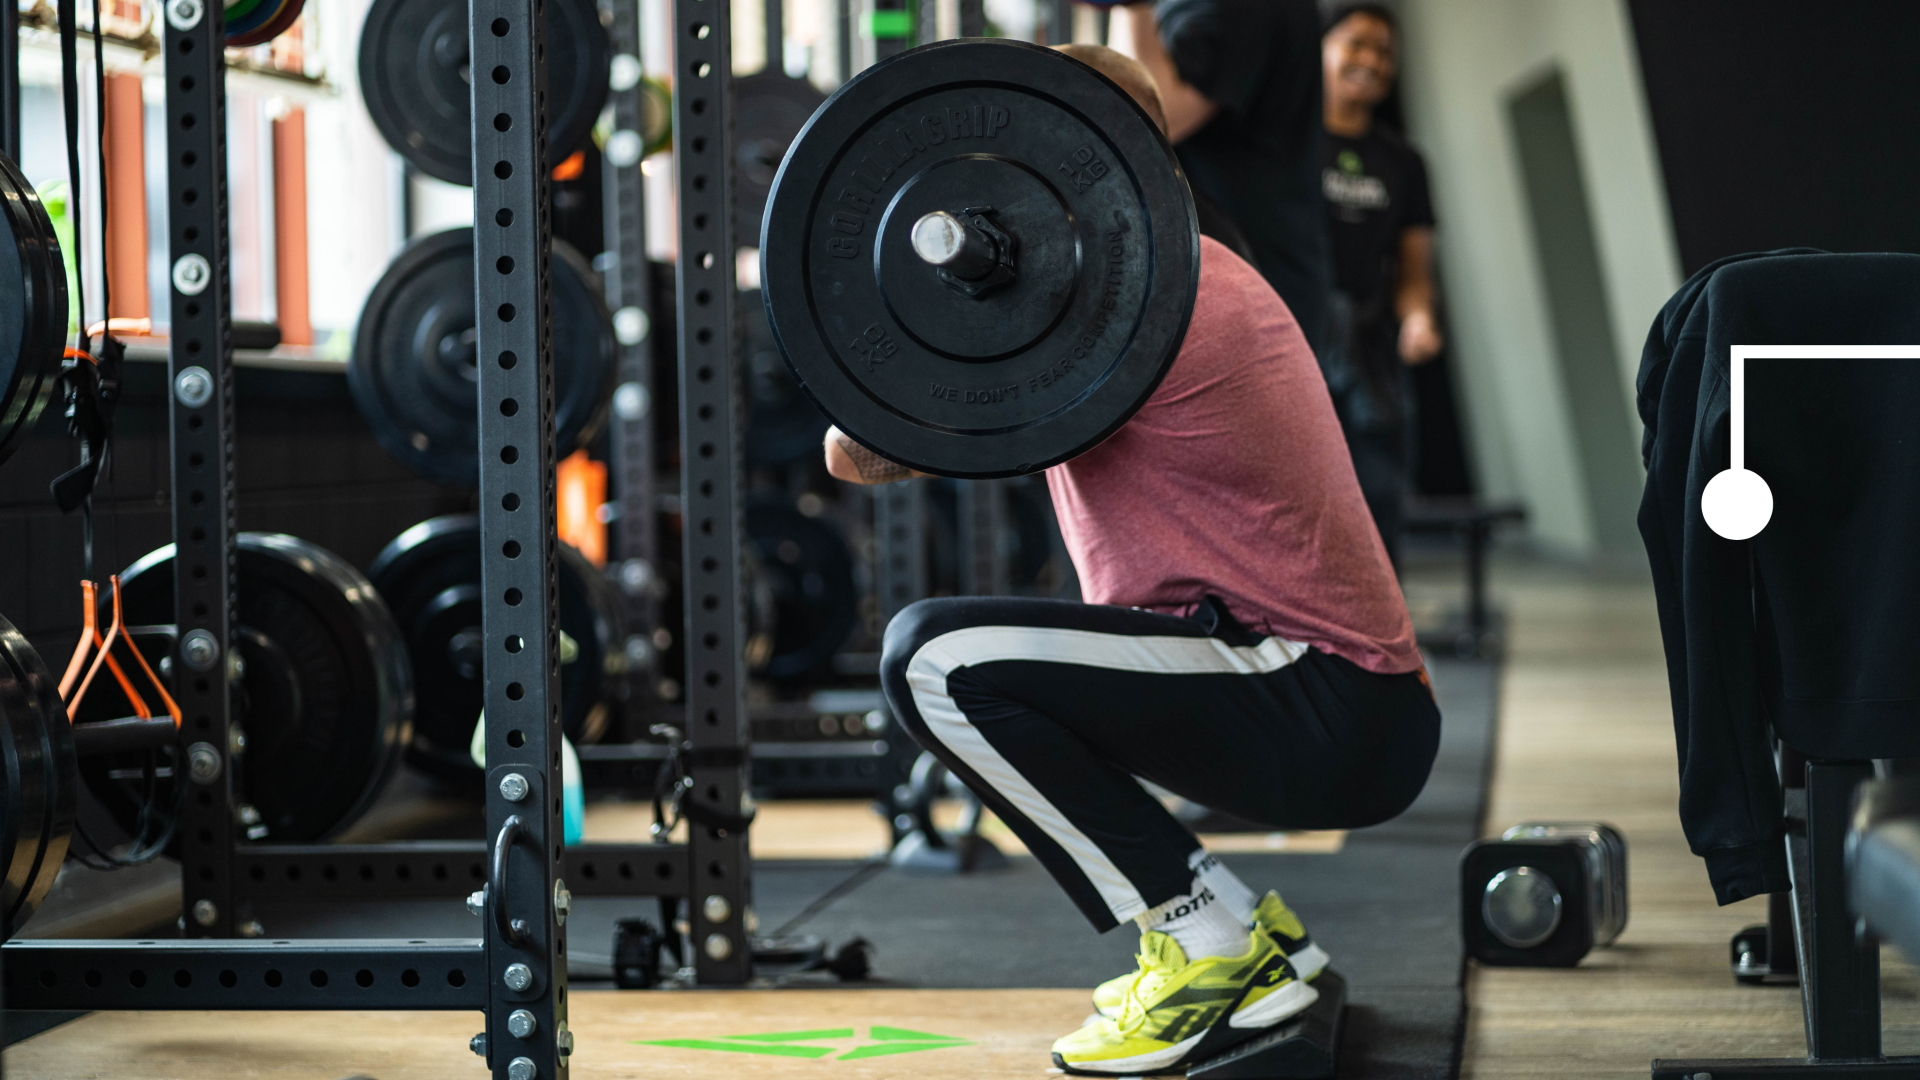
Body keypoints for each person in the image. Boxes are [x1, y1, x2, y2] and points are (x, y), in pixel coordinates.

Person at [822, 46, 1439, 1077]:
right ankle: (1249, 934)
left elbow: (863, 452)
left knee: (937, 659)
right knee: (990, 662)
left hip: (1320, 699)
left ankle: (1205, 941)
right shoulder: (1151, 281)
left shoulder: (1143, 308)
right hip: (1326, 699)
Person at [1119, 0, 1331, 354]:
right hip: (1242, 266)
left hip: (1248, 276)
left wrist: (1132, 6)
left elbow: (1154, 117)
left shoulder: (1237, 8)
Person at [1319, 3, 1443, 566]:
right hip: (1295, 338)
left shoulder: (1404, 162)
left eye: (1384, 52)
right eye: (1357, 44)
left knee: (1379, 493)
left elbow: (1413, 271)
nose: (1371, 60)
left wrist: (1418, 318)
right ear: (1321, 49)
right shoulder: (1283, 149)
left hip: (1370, 349)